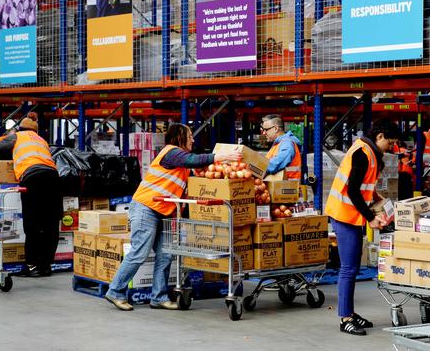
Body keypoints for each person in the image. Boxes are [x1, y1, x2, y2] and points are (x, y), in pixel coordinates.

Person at [104, 123, 242, 311]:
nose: (193, 139)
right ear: (179, 137)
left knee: (165, 254)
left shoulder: (182, 164)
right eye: (190, 135)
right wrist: (221, 156)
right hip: (147, 207)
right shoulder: (171, 153)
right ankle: (115, 291)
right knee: (140, 252)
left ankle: (158, 297)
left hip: (165, 211)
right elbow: (194, 160)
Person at [325, 119, 401, 336]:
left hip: (351, 215)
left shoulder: (370, 152)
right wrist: (370, 217)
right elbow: (352, 192)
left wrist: (377, 198)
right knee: (349, 268)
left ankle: (349, 311)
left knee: (353, 267)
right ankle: (345, 318)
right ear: (380, 137)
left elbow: (363, 188)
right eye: (390, 142)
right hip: (344, 215)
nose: (391, 147)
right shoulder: (362, 153)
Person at [0, 113, 63, 277]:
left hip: (33, 179)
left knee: (33, 224)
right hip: (54, 179)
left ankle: (32, 266)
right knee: (51, 223)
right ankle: (46, 266)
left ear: (20, 129)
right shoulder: (42, 141)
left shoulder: (16, 137)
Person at [261, 114, 302, 180]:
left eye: (266, 130)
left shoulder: (287, 144)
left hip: (288, 188)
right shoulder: (278, 144)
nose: (264, 133)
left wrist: (255, 166)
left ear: (276, 129)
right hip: (279, 187)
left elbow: (274, 165)